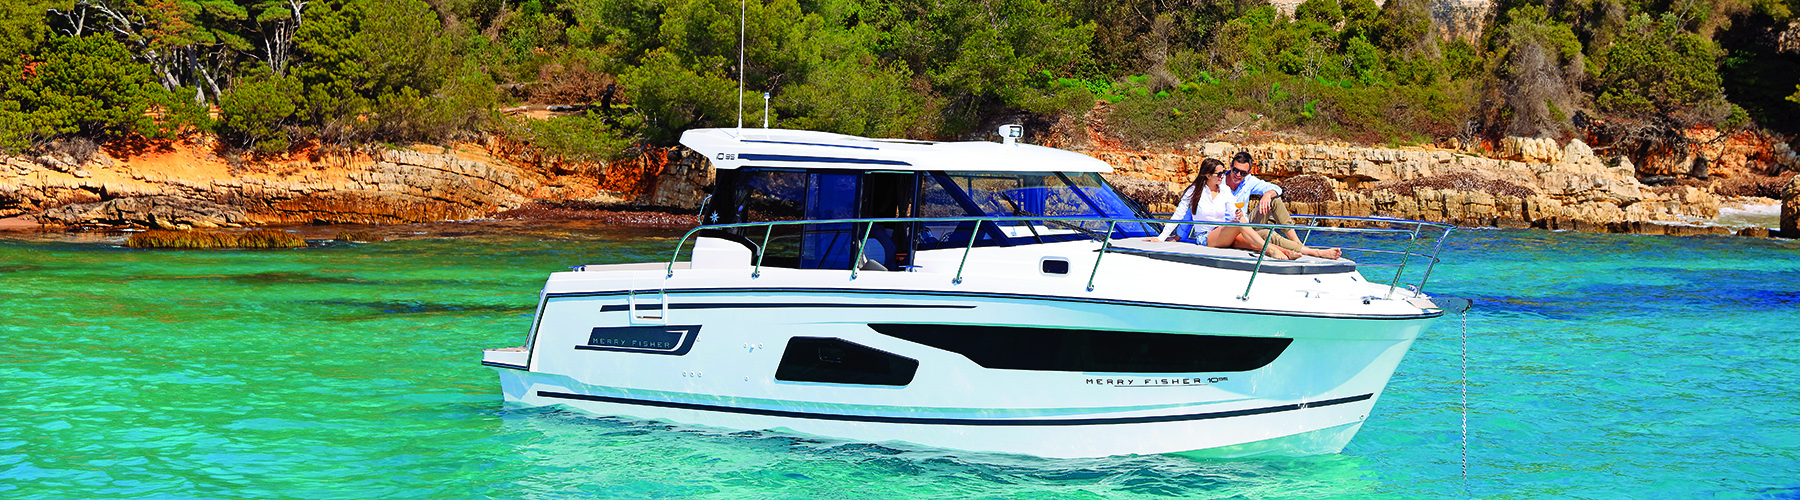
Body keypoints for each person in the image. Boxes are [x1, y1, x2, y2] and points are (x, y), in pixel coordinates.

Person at [1156, 158, 1300, 260]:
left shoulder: (1224, 190)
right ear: (1207, 176)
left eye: (1222, 172)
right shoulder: (1194, 191)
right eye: (1219, 174)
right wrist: (1162, 238)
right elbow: (1180, 215)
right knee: (1240, 225)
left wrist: (1239, 215)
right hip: (1206, 237)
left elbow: (1234, 213)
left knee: (1252, 243)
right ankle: (1271, 250)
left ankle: (1287, 252)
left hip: (1224, 232)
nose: (1222, 176)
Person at [1224, 151, 1343, 260]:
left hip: (1246, 223)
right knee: (1266, 233)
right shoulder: (1220, 182)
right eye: (1235, 170)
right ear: (1230, 166)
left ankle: (1298, 244)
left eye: (1243, 172)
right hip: (1228, 231)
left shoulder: (1248, 181)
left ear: (1249, 172)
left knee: (1274, 199)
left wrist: (1267, 195)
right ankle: (1315, 252)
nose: (1238, 175)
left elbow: (1277, 188)